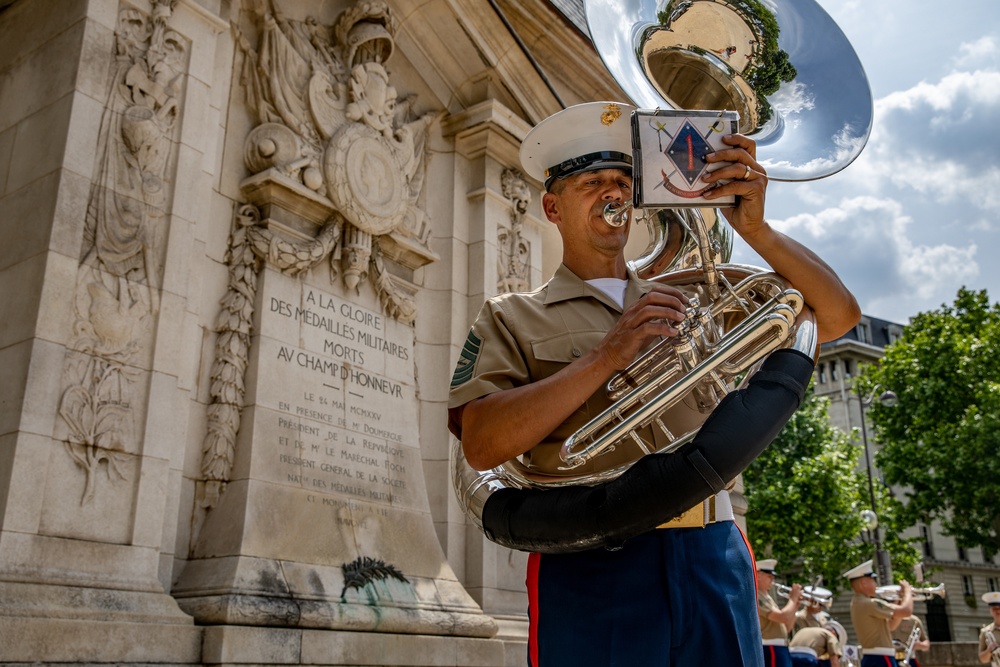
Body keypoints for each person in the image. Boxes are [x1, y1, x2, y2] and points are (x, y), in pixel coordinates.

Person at [447, 100, 860, 666]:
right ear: (551, 206)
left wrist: (755, 228)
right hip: (591, 557)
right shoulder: (511, 316)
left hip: (713, 550)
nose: (612, 193)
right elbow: (482, 442)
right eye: (592, 182)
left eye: (622, 181)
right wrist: (606, 356)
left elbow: (835, 316)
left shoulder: (691, 292)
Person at [845, 559, 914, 667]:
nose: (876, 584)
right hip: (880, 658)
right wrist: (908, 591)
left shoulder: (858, 602)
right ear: (864, 583)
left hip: (875, 657)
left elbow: (890, 626)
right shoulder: (869, 603)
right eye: (873, 580)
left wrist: (900, 600)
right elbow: (906, 611)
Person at [758, 559, 802, 667]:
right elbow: (782, 617)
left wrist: (795, 606)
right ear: (758, 575)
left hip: (780, 646)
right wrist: (793, 598)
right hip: (770, 647)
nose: (773, 580)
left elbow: (786, 628)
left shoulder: (767, 597)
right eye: (769, 576)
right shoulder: (758, 596)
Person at [978, 591, 1000, 665]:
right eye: (994, 608)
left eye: (999, 608)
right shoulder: (986, 631)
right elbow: (983, 659)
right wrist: (989, 650)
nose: (998, 611)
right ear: (990, 610)